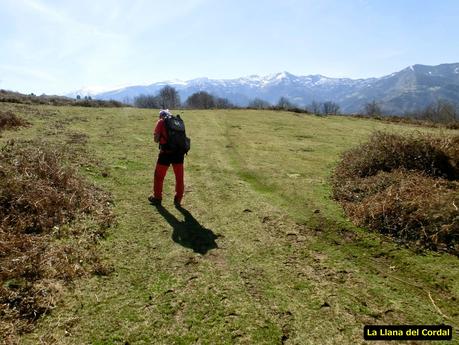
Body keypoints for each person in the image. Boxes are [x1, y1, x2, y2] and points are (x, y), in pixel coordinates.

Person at [149, 109, 185, 206]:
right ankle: (178, 199)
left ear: (161, 116)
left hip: (166, 153)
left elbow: (156, 140)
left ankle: (157, 198)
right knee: (179, 177)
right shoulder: (178, 122)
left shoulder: (161, 122)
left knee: (159, 176)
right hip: (179, 153)